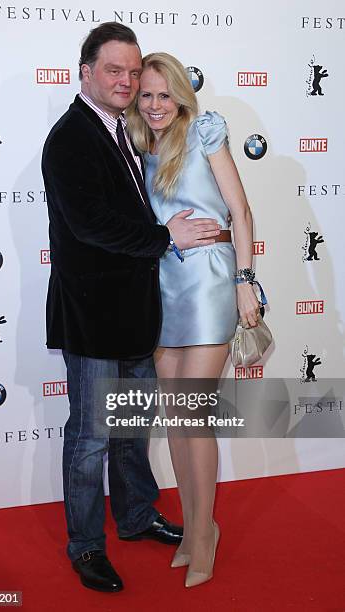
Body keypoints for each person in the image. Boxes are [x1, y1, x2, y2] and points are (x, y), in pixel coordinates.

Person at [41, 24, 222, 593]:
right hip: (94, 318)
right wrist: (165, 237)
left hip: (142, 314)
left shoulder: (130, 132)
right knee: (92, 437)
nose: (125, 81)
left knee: (130, 429)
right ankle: (87, 545)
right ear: (85, 72)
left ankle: (138, 515)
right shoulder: (71, 137)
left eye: (131, 72)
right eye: (113, 71)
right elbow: (90, 225)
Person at [126, 52, 260, 588]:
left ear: (181, 94)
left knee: (193, 415)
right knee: (178, 420)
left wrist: (246, 282)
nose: (156, 105)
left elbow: (242, 212)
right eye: (147, 95)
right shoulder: (138, 145)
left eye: (164, 94)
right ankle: (193, 528)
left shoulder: (204, 134)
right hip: (160, 284)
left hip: (207, 281)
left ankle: (204, 533)